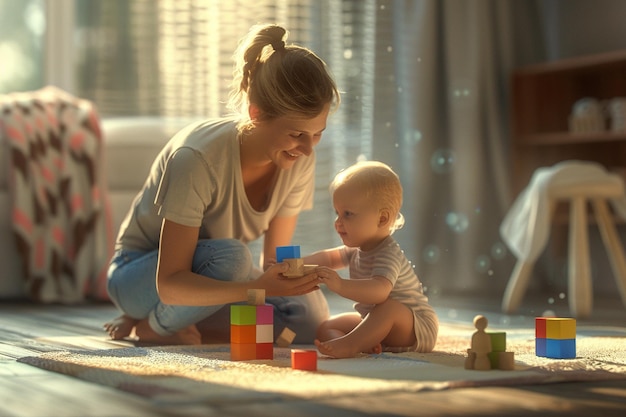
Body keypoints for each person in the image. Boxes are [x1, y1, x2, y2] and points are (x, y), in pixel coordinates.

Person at [103, 23, 340, 345]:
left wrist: (295, 280)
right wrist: (261, 288)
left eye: (317, 134)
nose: (309, 149)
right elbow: (170, 283)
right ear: (256, 114)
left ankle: (185, 325)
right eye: (297, 134)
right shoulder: (197, 158)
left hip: (215, 278)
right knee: (233, 259)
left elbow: (271, 266)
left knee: (308, 320)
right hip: (141, 279)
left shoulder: (299, 159)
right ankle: (154, 327)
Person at [302, 160, 438, 358]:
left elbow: (379, 293)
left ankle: (351, 344)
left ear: (382, 219)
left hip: (415, 328)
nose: (338, 222)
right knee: (326, 327)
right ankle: (363, 342)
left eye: (347, 214)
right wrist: (296, 264)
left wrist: (340, 285)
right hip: (376, 321)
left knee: (388, 307)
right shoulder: (357, 250)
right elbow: (328, 258)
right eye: (337, 213)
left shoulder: (388, 253)